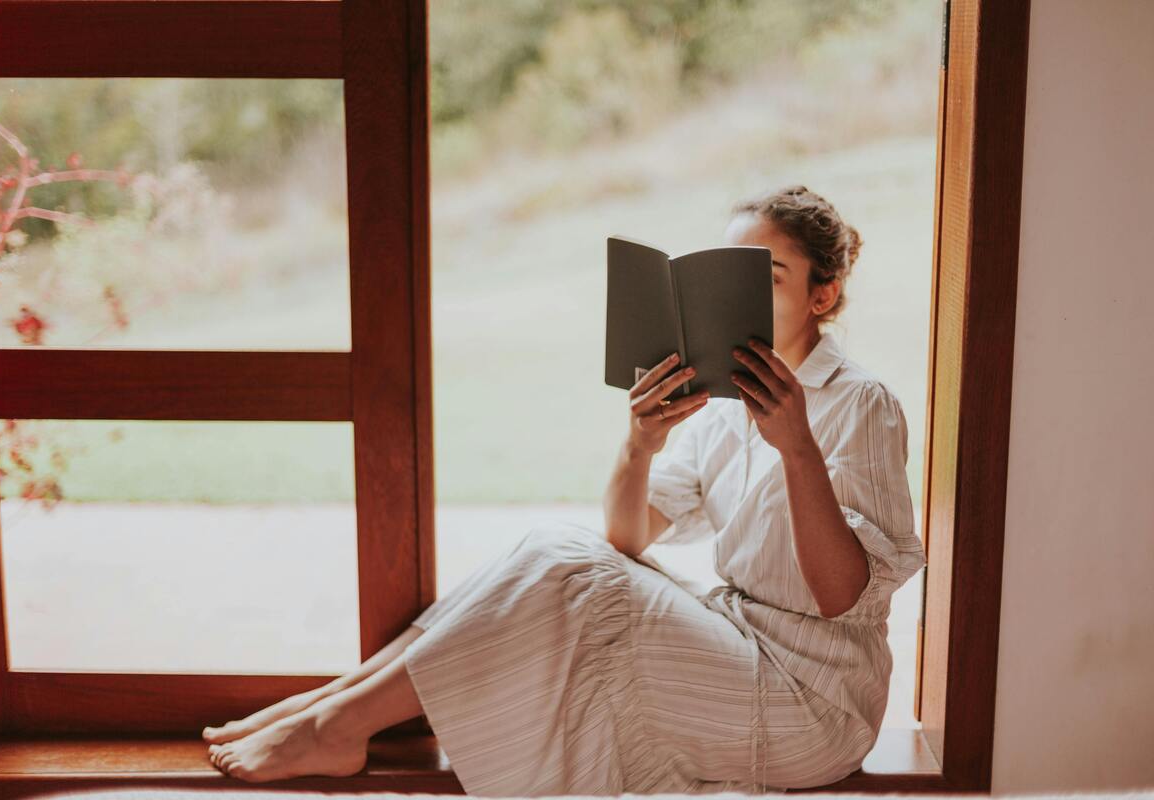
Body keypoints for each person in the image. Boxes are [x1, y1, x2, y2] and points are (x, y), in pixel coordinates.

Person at [201, 184, 927, 795]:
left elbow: (838, 597)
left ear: (821, 295)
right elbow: (623, 542)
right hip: (743, 645)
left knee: (565, 563)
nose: (734, 307)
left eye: (762, 281)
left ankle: (335, 726)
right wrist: (641, 442)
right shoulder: (725, 400)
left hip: (815, 702)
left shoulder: (859, 402)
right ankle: (331, 705)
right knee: (560, 546)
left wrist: (796, 446)